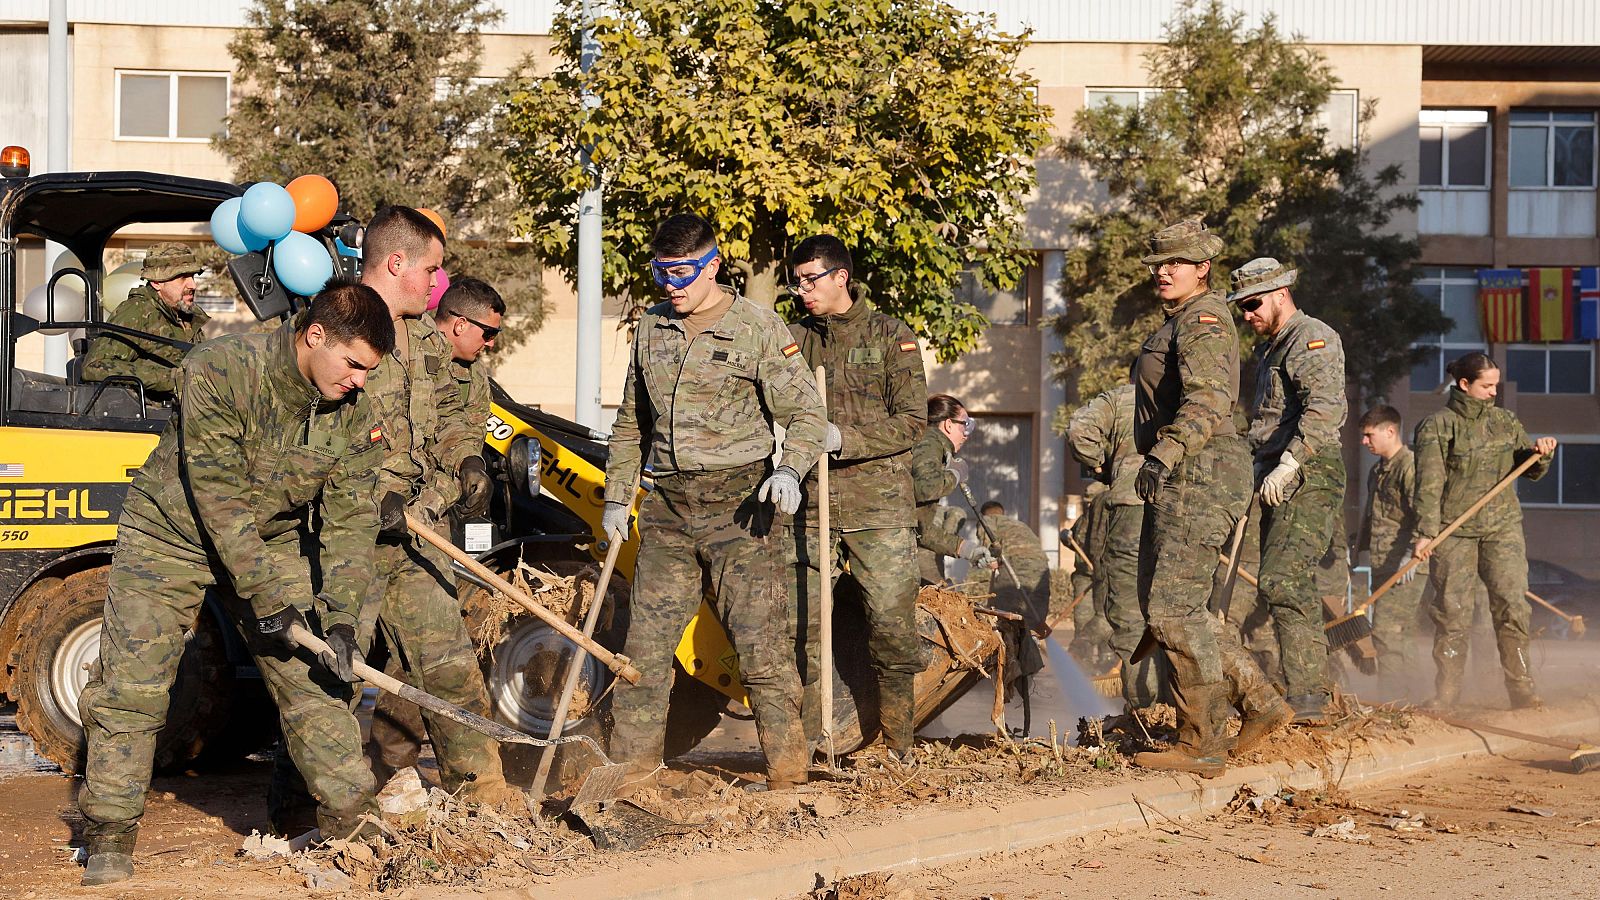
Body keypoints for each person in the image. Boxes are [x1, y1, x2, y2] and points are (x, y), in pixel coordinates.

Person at [75, 282, 394, 885]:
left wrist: (343, 616)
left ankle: (350, 823)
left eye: (368, 371)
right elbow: (218, 498)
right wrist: (269, 599)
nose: (357, 381)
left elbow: (350, 520)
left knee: (318, 679)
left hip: (269, 538)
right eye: (352, 365)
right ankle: (110, 836)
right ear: (315, 334)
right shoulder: (221, 368)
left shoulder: (357, 412)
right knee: (133, 689)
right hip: (172, 532)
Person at [600, 213, 826, 791]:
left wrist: (791, 470)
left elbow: (805, 414)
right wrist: (616, 496)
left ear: (713, 266)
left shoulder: (758, 327)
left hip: (740, 508)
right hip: (668, 508)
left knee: (760, 647)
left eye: (683, 273)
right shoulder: (651, 327)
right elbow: (632, 422)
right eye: (661, 274)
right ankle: (632, 776)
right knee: (644, 653)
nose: (671, 286)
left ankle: (788, 775)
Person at [353, 207, 508, 809]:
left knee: (445, 662)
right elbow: (311, 438)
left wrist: (466, 459)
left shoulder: (423, 340)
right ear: (397, 265)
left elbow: (445, 422)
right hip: (352, 535)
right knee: (330, 678)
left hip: (415, 528)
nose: (436, 284)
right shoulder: (336, 325)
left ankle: (486, 795)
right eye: (432, 270)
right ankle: (312, 804)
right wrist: (370, 496)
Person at [1129, 220, 1288, 777]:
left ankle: (1202, 743)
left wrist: (1164, 454)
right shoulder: (1177, 322)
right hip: (1190, 470)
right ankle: (1262, 704)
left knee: (1170, 610)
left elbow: (1210, 398)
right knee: (1184, 607)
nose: (1163, 271)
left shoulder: (1202, 319)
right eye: (1157, 263)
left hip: (1200, 469)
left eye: (1176, 262)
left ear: (1203, 268)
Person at [785, 235, 927, 757]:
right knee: (803, 632)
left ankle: (899, 749)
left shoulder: (892, 337)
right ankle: (808, 748)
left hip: (879, 509)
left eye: (811, 280)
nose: (803, 291)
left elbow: (913, 423)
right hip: (810, 505)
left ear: (841, 276)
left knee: (891, 629)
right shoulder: (793, 341)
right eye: (797, 282)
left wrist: (845, 439)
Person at [1232, 257, 1348, 724]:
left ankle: (1310, 697)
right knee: (1254, 584)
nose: (1247, 314)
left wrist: (1290, 462)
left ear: (1281, 293)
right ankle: (1287, 686)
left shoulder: (1311, 337)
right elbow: (1260, 422)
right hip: (1270, 473)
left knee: (1283, 579)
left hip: (1309, 472)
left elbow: (1324, 409)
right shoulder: (1268, 351)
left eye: (1253, 303)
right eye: (1242, 307)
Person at [1412, 352, 1556, 709]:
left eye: (1496, 385)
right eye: (1486, 386)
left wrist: (1542, 453)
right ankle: (1447, 694)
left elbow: (1530, 470)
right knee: (1451, 611)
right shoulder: (1438, 425)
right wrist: (1426, 532)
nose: (1494, 392)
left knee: (1512, 605)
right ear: (1464, 384)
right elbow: (1429, 483)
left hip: (1502, 527)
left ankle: (1522, 688)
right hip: (1454, 531)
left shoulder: (1506, 422)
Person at [1068, 382, 1159, 704]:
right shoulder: (1196, 393)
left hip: (1133, 503)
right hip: (1186, 509)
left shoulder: (1125, 396)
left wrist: (1099, 466)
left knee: (1127, 614)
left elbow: (1079, 430)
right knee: (1181, 611)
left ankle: (1142, 707)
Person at [81, 242, 209, 404]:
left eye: (193, 276)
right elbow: (94, 367)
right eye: (183, 277)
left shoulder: (186, 315)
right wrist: (171, 379)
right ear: (157, 282)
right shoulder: (138, 311)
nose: (192, 285)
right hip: (155, 417)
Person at [1356, 405, 1426, 699]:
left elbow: (1425, 513)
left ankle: (1392, 700)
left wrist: (1411, 556)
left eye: (1369, 435)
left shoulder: (1409, 467)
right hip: (1383, 562)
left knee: (1386, 630)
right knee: (1402, 633)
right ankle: (1412, 698)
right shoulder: (1377, 470)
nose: (1364, 442)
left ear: (1390, 431)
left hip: (1405, 567)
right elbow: (1376, 516)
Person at [910, 394, 993, 584]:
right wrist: (955, 475)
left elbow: (922, 529)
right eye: (965, 425)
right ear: (948, 424)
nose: (966, 434)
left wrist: (968, 550)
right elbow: (926, 488)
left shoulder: (936, 450)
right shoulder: (930, 440)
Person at [979, 500, 1049, 693]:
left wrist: (988, 560)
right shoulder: (1019, 525)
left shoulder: (988, 520)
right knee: (1030, 624)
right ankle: (1026, 679)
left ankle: (1006, 678)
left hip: (1015, 570)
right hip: (1042, 571)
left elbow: (988, 548)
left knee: (1003, 620)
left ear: (987, 514)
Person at [1062, 484, 1114, 670]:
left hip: (1103, 577)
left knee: (1103, 620)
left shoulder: (1111, 517)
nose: (1090, 504)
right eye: (1088, 501)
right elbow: (1074, 541)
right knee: (1083, 619)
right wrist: (1065, 538)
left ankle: (1107, 660)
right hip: (1084, 577)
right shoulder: (1083, 520)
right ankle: (1082, 664)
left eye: (1093, 499)